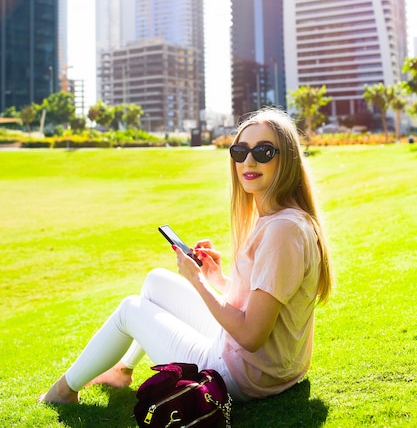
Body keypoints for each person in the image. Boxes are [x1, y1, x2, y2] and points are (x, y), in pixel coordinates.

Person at [40, 107, 333, 404]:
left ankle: (63, 391)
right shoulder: (283, 218)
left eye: (264, 151)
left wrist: (197, 282)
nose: (249, 160)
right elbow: (264, 301)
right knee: (155, 281)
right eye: (240, 151)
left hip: (243, 375)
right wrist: (216, 277)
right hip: (268, 365)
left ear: (288, 159)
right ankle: (122, 370)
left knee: (130, 309)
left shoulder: (281, 229)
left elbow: (250, 335)